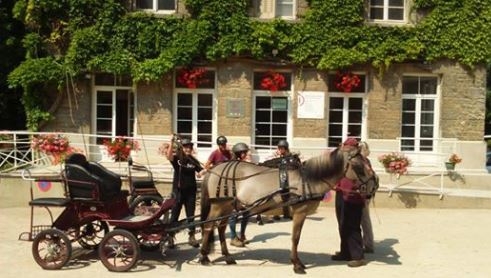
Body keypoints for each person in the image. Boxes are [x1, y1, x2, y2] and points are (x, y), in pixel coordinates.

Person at [332, 137, 367, 267]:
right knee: (342, 224)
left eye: (346, 146)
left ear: (352, 148)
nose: (343, 148)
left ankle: (358, 256)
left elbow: (363, 178)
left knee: (353, 226)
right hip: (341, 194)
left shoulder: (359, 160)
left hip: (354, 196)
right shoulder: (345, 159)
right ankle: (345, 252)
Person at [166, 135, 203, 248]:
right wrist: (171, 142)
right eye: (186, 147)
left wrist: (202, 172)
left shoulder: (193, 160)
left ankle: (192, 237)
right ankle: (170, 237)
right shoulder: (177, 158)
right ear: (182, 148)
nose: (188, 149)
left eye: (190, 147)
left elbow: (201, 171)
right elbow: (169, 157)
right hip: (178, 191)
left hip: (191, 192)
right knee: (175, 215)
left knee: (190, 216)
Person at [229, 142, 251, 247]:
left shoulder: (243, 163)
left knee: (246, 213)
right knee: (233, 215)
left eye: (245, 152)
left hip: (243, 193)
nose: (245, 154)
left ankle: (242, 235)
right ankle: (233, 237)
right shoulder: (234, 165)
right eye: (243, 152)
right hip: (234, 193)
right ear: (238, 153)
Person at [269, 139, 292, 220]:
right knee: (276, 197)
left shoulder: (289, 156)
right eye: (279, 148)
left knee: (286, 195)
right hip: (275, 178)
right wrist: (277, 157)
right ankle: (276, 214)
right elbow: (269, 163)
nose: (280, 150)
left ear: (286, 149)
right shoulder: (274, 155)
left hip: (286, 178)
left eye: (282, 148)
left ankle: (286, 213)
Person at [359, 141, 375, 253]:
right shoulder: (367, 161)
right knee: (365, 219)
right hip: (367, 193)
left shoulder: (363, 162)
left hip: (363, 194)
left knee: (364, 219)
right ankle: (368, 243)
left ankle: (368, 244)